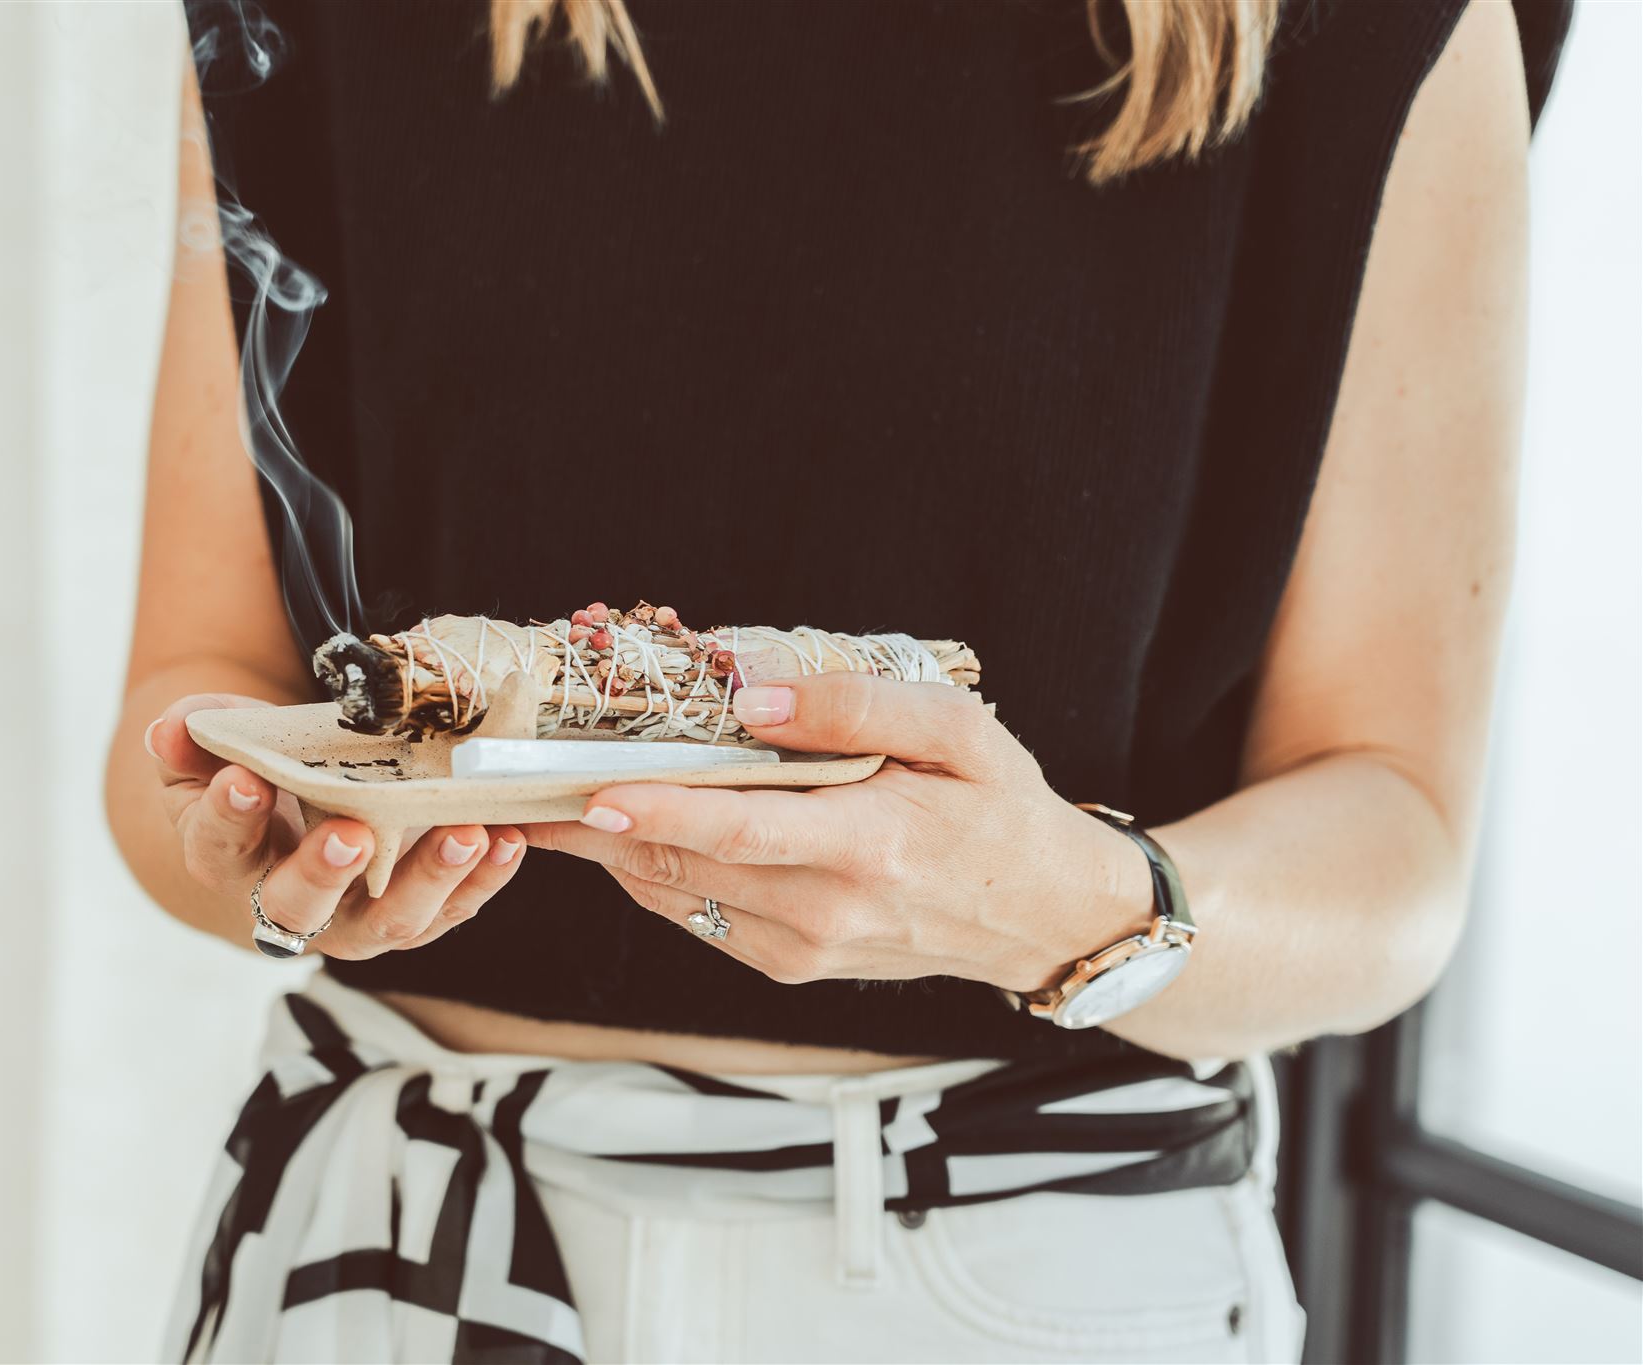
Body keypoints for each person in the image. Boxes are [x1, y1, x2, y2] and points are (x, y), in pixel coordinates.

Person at [106, 1, 1566, 1359]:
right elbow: (188, 708)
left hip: (1028, 1280)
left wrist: (1077, 906)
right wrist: (270, 853)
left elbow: (1397, 837)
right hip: (390, 1238)